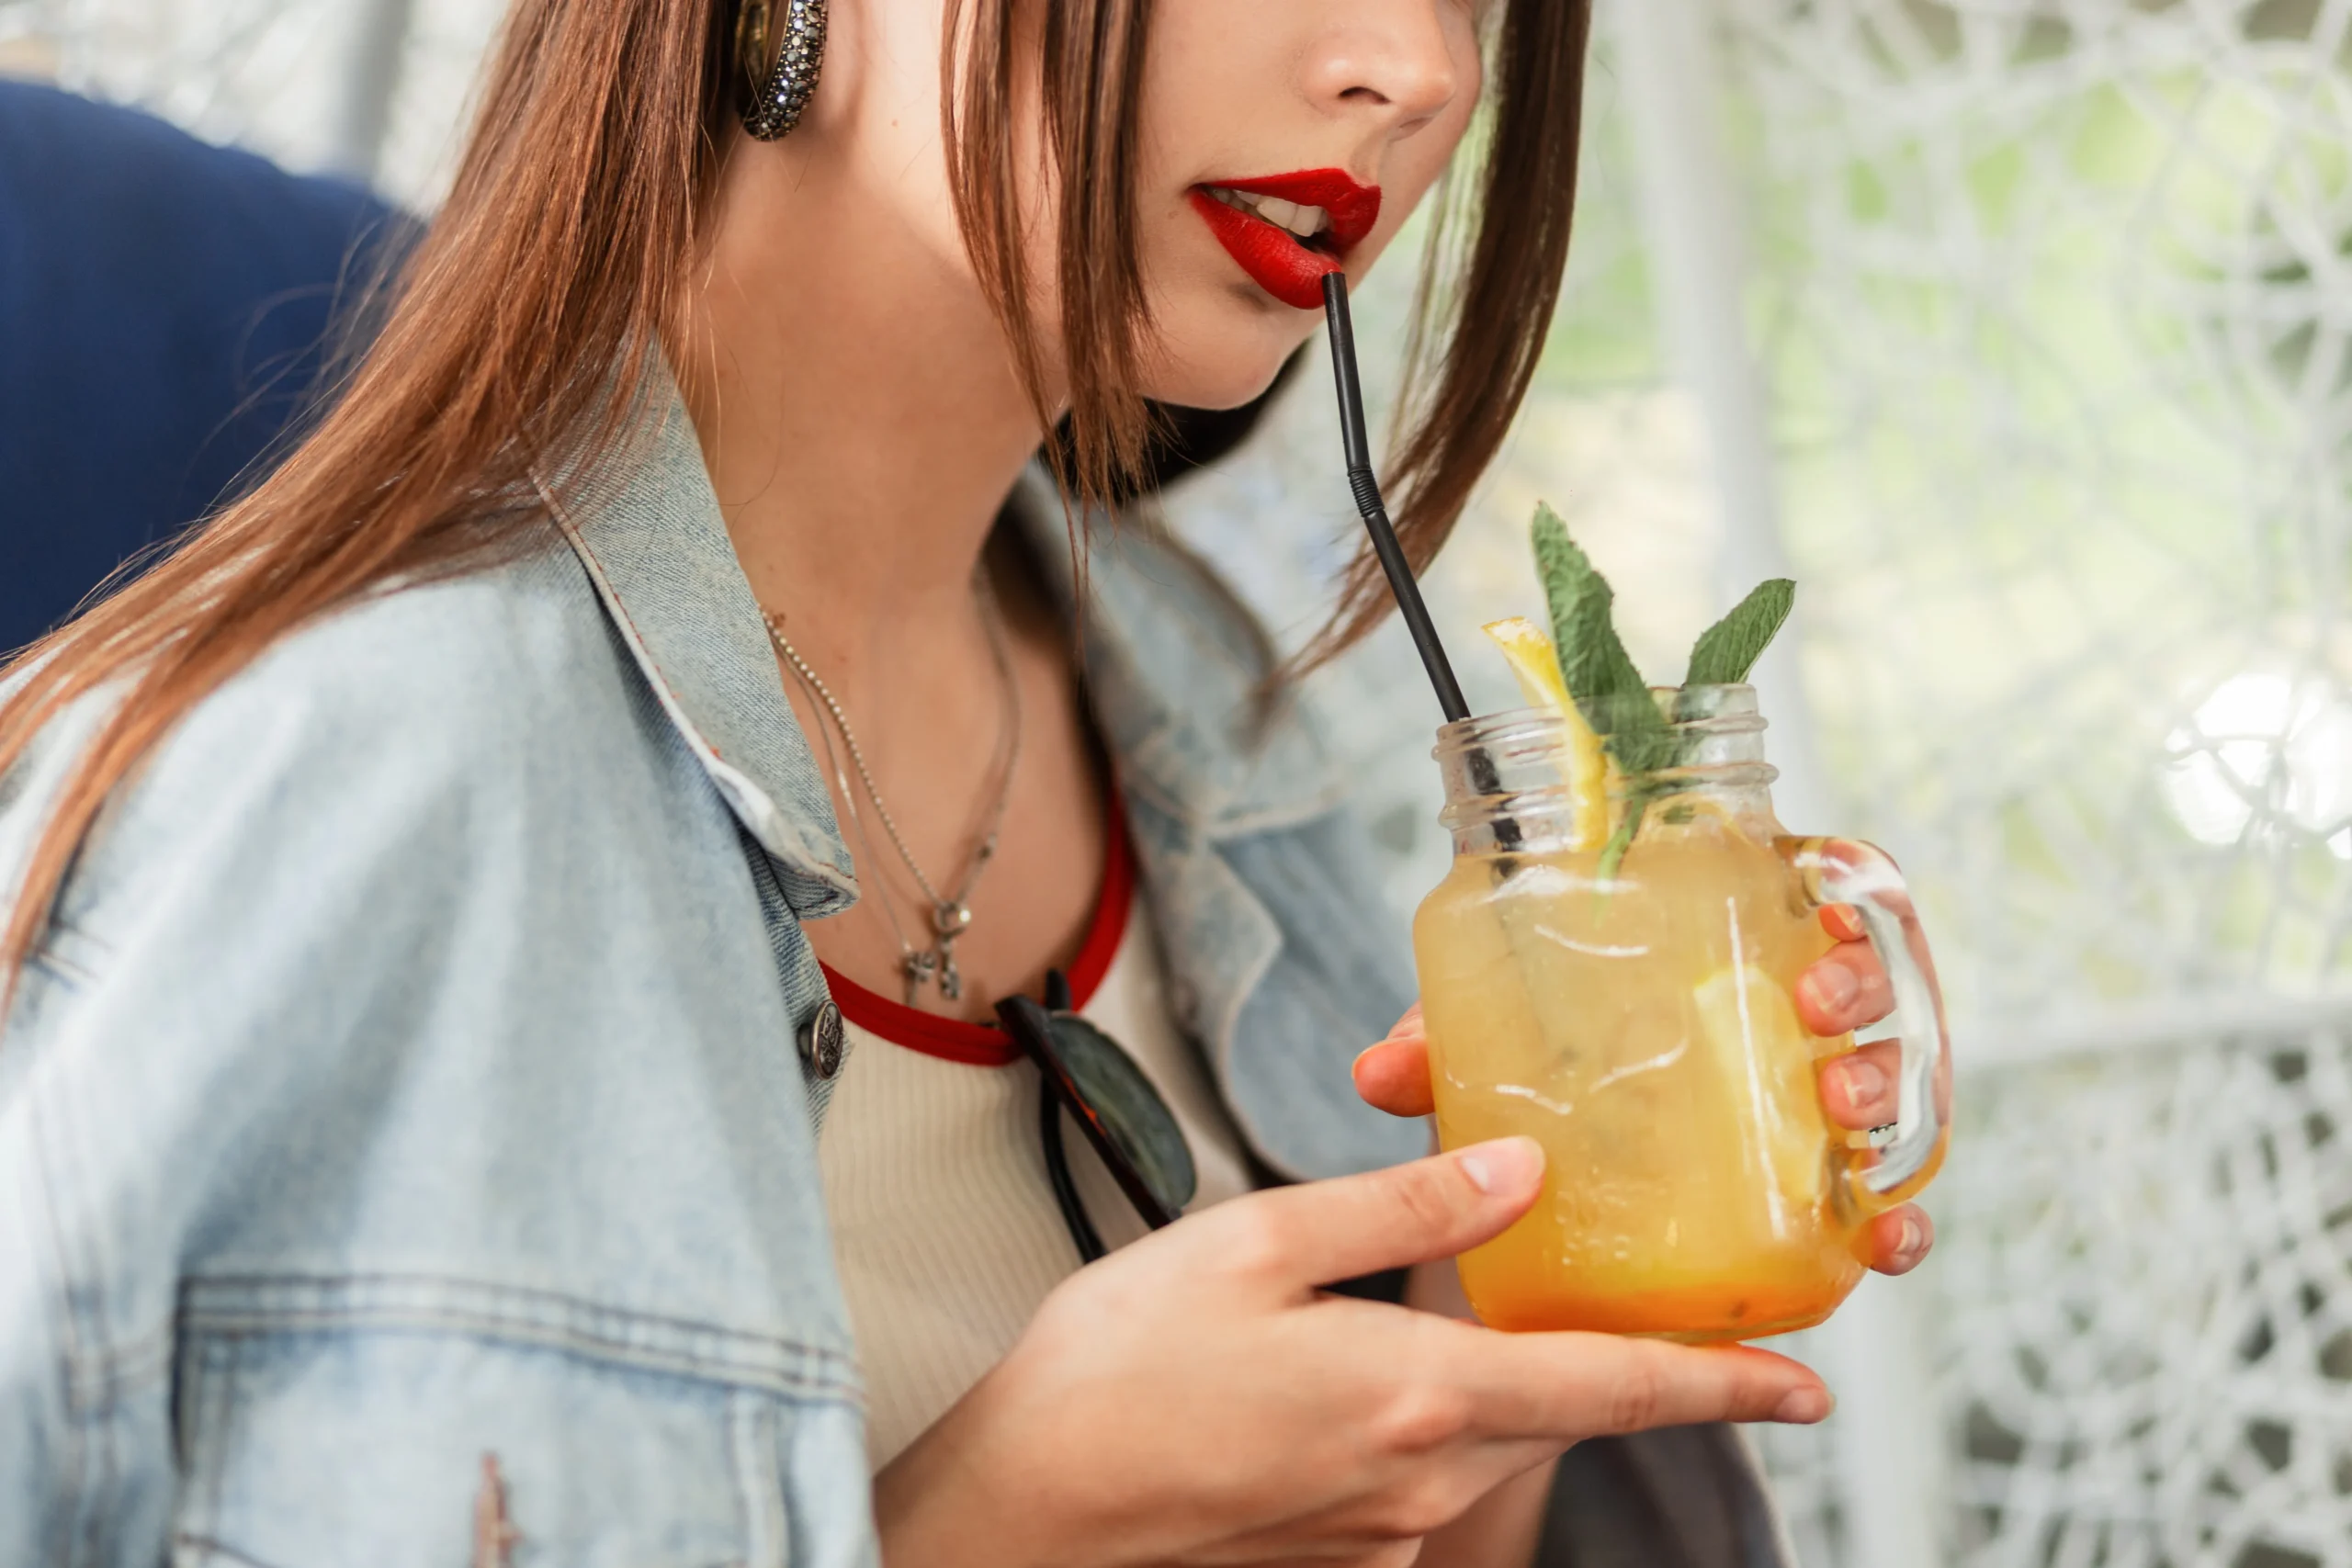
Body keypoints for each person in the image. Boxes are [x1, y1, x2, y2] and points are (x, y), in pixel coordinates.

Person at [0, 2, 1939, 1563]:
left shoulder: (1207, 710)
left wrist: (1522, 1322)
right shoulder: (318, 781)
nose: (1417, 67)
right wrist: (981, 1525)